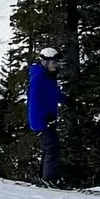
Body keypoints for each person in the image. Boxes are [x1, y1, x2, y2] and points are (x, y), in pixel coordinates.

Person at [25, 47, 64, 185]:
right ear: (46, 62)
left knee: (50, 149)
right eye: (54, 62)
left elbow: (52, 94)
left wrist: (67, 100)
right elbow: (34, 99)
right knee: (51, 149)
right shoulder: (40, 78)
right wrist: (43, 116)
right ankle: (49, 180)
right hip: (42, 120)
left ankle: (47, 178)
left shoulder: (48, 77)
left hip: (47, 119)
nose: (56, 65)